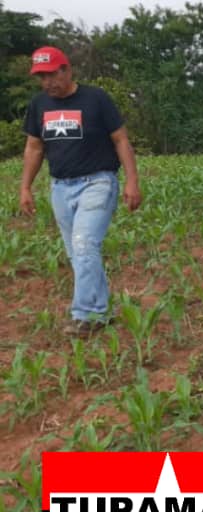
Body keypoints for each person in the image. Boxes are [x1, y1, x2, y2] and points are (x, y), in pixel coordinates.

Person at [18, 46, 142, 337]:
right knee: (78, 253)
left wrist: (132, 181)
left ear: (67, 70)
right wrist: (25, 186)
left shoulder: (95, 98)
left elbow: (121, 140)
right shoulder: (39, 105)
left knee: (85, 244)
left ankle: (84, 316)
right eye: (41, 76)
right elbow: (34, 147)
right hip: (60, 187)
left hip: (97, 182)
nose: (47, 81)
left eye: (51, 74)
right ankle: (101, 310)